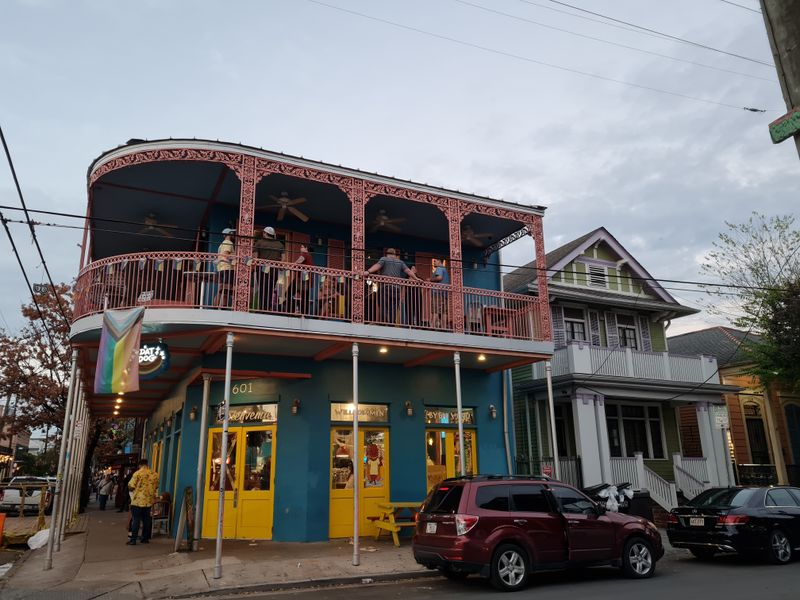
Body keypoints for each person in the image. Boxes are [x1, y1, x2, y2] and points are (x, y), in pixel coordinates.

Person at [364, 248, 420, 325]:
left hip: (385, 287)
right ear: (395, 254)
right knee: (393, 308)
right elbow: (408, 271)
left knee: (383, 305)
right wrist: (416, 278)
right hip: (396, 289)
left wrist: (368, 271)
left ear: (387, 254)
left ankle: (385, 322)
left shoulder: (384, 259)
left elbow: (377, 266)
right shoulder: (400, 262)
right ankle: (391, 323)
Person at [126, 459, 159, 545]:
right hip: (148, 501)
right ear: (147, 464)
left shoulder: (137, 473)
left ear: (140, 465)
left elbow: (131, 486)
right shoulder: (155, 474)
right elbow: (156, 487)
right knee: (146, 520)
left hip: (137, 501)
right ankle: (145, 538)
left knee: (136, 520)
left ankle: (133, 540)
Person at [253, 226, 285, 310]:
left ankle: (262, 308)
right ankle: (268, 307)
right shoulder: (280, 244)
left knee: (262, 289)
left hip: (262, 269)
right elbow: (283, 258)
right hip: (274, 270)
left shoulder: (259, 242)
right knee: (270, 289)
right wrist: (279, 266)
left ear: (265, 233)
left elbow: (255, 257)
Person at [214, 228, 236, 307]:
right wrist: (235, 257)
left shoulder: (222, 244)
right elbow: (226, 255)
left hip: (221, 268)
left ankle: (217, 307)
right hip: (227, 268)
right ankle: (221, 307)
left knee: (221, 290)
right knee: (226, 290)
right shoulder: (228, 242)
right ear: (229, 234)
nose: (234, 235)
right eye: (232, 233)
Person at [292, 244, 315, 313]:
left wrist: (291, 266)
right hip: (306, 280)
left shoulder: (305, 254)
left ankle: (293, 310)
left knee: (289, 293)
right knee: (305, 297)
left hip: (301, 280)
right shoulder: (310, 256)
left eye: (302, 247)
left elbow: (298, 262)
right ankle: (304, 313)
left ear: (306, 248)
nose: (300, 248)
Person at [429, 258, 450, 329]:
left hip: (437, 293)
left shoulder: (439, 268)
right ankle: (444, 327)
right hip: (444, 293)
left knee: (435, 310)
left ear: (439, 261)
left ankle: (432, 326)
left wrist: (430, 280)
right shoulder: (444, 269)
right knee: (444, 312)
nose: (434, 263)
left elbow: (439, 278)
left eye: (435, 261)